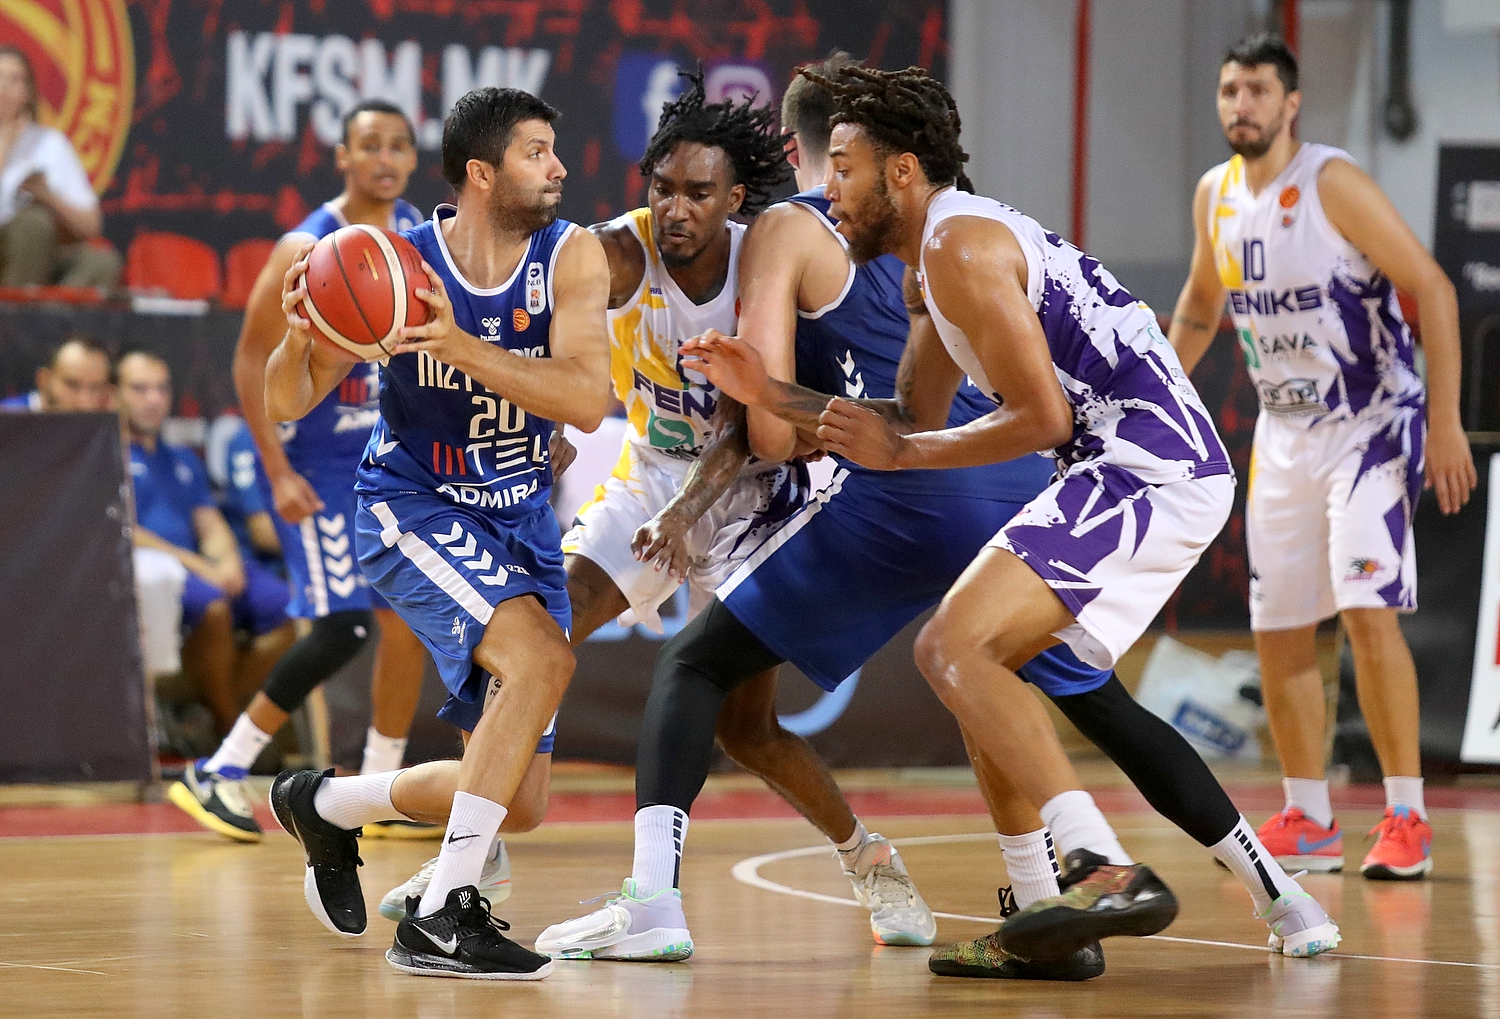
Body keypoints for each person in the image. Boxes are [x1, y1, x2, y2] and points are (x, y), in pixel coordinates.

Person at [787, 63, 1339, 964]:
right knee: (1006, 675)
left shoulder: (958, 246)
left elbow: (1036, 417)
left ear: (902, 172)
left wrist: (902, 454)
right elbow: (914, 414)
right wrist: (776, 394)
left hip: (1146, 464)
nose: (827, 191)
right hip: (1130, 467)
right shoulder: (935, 259)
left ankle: (1102, 869)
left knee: (951, 647)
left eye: (843, 169)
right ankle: (1251, 903)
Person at [377, 68, 814, 932]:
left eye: (698, 193)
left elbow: (747, 428)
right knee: (534, 638)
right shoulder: (616, 249)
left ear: (734, 199)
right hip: (652, 471)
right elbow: (552, 321)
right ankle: (478, 844)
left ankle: (865, 857)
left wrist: (687, 515)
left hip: (752, 487)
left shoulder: (762, 260)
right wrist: (532, 412)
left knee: (749, 725)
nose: (675, 208)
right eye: (662, 188)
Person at [264, 86, 611, 981]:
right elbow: (287, 398)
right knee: (542, 659)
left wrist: (457, 346)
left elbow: (586, 397)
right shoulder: (398, 265)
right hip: (414, 506)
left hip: (520, 518)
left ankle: (328, 804)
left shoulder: (570, 255)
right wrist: (301, 337)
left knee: (519, 802)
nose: (559, 167)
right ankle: (444, 917)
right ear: (482, 174)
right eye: (537, 152)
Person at [1168, 35, 1475, 881]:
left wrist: (1446, 422)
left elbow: (1434, 288)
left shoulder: (1331, 182)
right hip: (1284, 433)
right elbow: (1199, 307)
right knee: (1277, 630)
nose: (1241, 104)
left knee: (1367, 612)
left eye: (1257, 90)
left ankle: (1407, 814)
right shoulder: (1214, 195)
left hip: (1371, 423)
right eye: (1229, 89)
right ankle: (1309, 816)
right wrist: (1153, 400)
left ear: (1291, 103)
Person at [168, 100, 436, 846]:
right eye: (370, 145)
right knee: (345, 625)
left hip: (384, 463)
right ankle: (219, 769)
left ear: (412, 159)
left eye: (399, 145)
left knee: (406, 622)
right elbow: (250, 360)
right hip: (314, 466)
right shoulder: (307, 243)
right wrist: (277, 468)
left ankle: (378, 788)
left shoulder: (415, 233)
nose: (386, 157)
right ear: (342, 157)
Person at [118, 350, 295, 735]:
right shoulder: (106, 458)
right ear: (114, 393)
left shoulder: (182, 458)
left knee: (290, 608)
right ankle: (229, 727)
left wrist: (228, 561)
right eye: (140, 389)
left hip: (200, 567)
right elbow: (126, 530)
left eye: (162, 389)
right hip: (153, 571)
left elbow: (210, 523)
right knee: (214, 609)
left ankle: (202, 704)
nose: (153, 399)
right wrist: (202, 567)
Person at [0, 46, 120, 289]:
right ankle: (15, 311)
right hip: (13, 244)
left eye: (14, 79)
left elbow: (92, 226)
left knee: (102, 263)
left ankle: (45, 311)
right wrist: (6, 143)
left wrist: (48, 197)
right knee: (34, 224)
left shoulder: (50, 143)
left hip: (41, 254)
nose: (4, 88)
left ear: (28, 92)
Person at [1, 335, 113, 412]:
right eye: (72, 385)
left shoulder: (106, 429)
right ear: (43, 380)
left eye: (95, 388)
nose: (84, 404)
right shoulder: (7, 416)